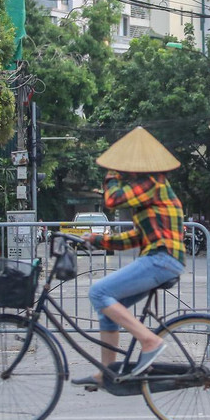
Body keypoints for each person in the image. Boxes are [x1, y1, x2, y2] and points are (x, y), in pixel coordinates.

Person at [73, 126, 185, 389]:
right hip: (160, 257)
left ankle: (150, 341)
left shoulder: (153, 183)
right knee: (108, 311)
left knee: (99, 293)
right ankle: (106, 373)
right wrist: (99, 240)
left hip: (162, 258)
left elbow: (112, 200)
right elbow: (135, 237)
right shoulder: (150, 191)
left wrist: (110, 173)